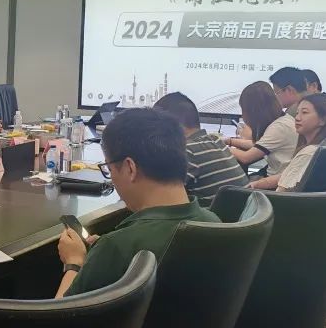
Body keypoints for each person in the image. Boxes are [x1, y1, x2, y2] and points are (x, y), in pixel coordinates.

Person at [55, 108, 219, 298]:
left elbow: (58, 314)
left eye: (109, 169)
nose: (112, 179)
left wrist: (74, 263)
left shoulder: (117, 248)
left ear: (130, 168)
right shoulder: (214, 223)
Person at [154, 92, 248, 207]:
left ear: (171, 126)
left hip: (216, 217)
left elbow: (159, 195)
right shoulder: (216, 141)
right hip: (242, 214)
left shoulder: (187, 151)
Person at [274, 92, 326, 192]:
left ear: (323, 120)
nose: (297, 118)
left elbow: (282, 193)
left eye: (304, 113)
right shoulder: (324, 148)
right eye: (297, 113)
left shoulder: (309, 152)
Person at [224, 81, 297, 183]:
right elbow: (258, 146)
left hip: (277, 182)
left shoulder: (279, 127)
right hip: (278, 176)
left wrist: (220, 147)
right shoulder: (283, 119)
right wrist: (229, 141)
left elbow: (246, 157)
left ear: (254, 111)